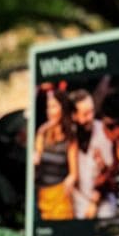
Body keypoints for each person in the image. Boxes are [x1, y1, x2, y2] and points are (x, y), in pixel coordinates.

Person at [69, 87, 115, 220]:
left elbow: (109, 172)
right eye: (85, 113)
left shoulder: (103, 132)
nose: (90, 117)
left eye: (92, 111)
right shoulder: (70, 135)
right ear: (74, 116)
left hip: (102, 205)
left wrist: (94, 202)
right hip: (78, 202)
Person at [32, 87, 76, 221]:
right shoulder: (42, 132)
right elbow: (36, 158)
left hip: (60, 195)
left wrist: (70, 180)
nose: (50, 111)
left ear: (63, 108)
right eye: (48, 107)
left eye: (54, 107)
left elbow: (74, 173)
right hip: (42, 194)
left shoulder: (70, 135)